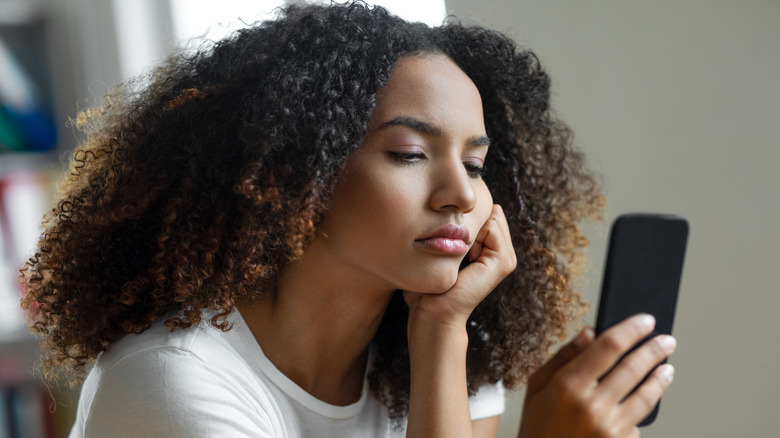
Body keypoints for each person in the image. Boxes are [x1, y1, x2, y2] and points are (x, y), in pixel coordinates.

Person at [20, 2, 676, 437]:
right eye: (409, 153)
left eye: (476, 166)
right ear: (294, 171)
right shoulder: (171, 386)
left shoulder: (438, 344)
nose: (459, 194)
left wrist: (443, 333)